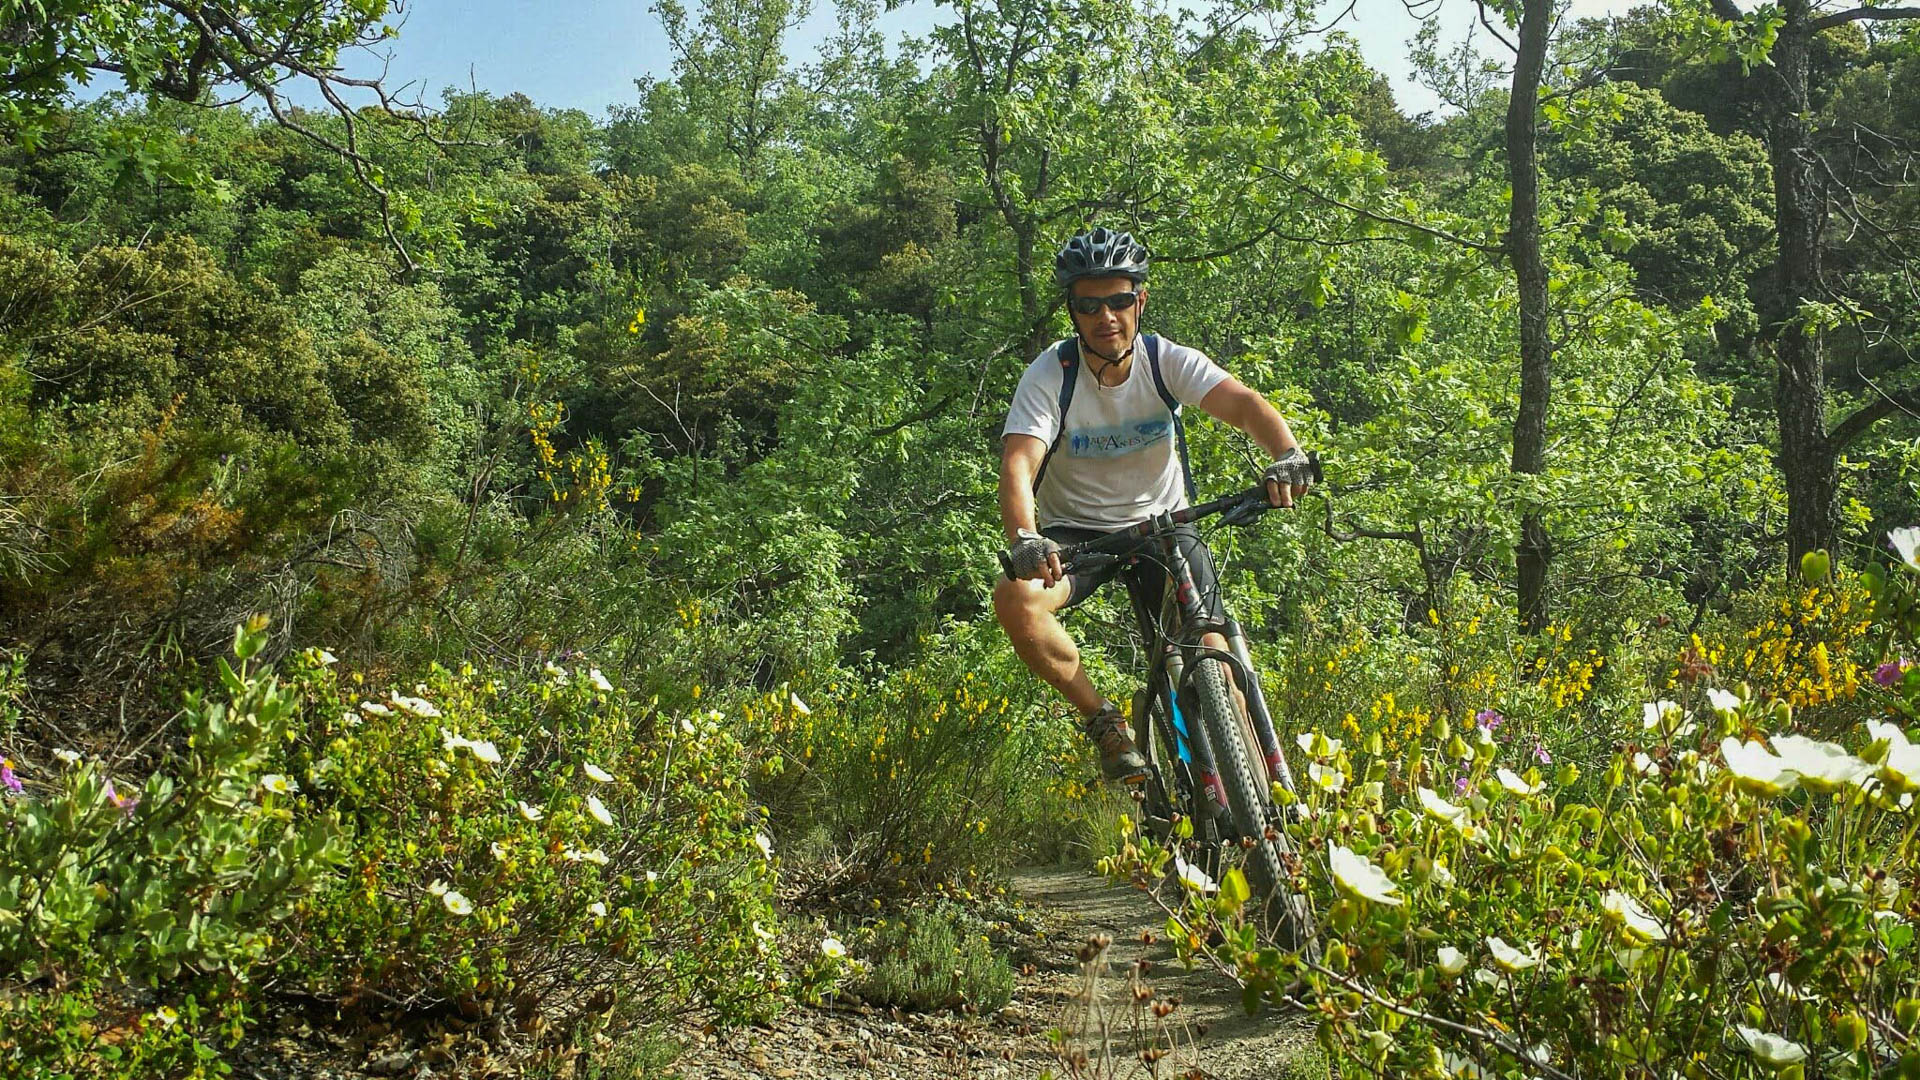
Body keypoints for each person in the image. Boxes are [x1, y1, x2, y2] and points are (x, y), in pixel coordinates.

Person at [994, 227, 1314, 781]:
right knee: (1016, 601)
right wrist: (1025, 536)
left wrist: (1287, 453)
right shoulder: (1052, 374)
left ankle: (1261, 812)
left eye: (1119, 300)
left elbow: (1244, 405)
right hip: (1079, 537)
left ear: (1139, 300)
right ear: (1073, 311)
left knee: (1215, 651)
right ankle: (1105, 722)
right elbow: (1020, 461)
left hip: (1165, 525)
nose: (1106, 316)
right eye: (1089, 305)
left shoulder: (1165, 360)